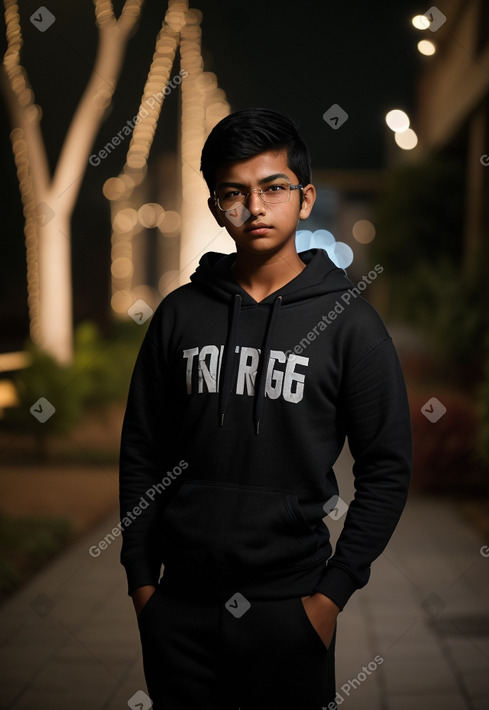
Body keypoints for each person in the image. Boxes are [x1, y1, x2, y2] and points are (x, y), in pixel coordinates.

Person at [119, 107, 412, 710]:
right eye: (235, 193)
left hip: (291, 608)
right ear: (215, 207)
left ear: (304, 199)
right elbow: (142, 453)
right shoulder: (179, 315)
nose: (255, 207)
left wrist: (330, 597)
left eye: (273, 188)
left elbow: (387, 468)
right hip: (181, 608)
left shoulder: (350, 324)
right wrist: (144, 585)